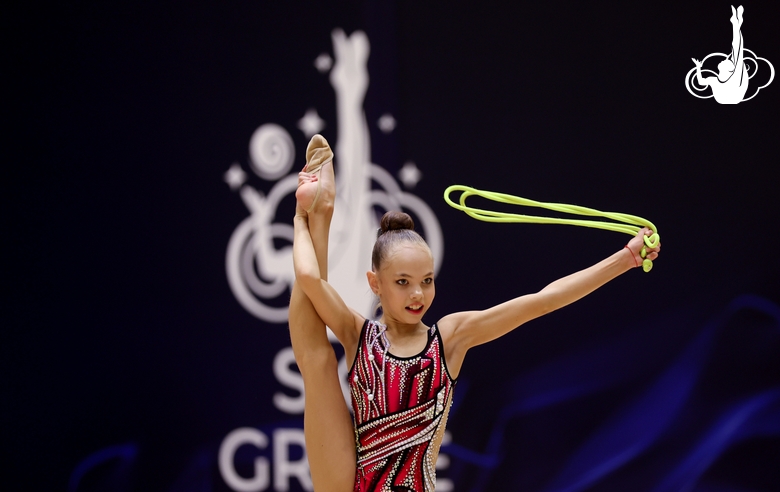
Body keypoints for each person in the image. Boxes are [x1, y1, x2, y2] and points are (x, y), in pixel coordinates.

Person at [289, 135, 661, 491]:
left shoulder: (449, 338)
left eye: (427, 280)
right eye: (403, 282)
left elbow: (543, 300)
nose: (418, 294)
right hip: (348, 481)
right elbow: (308, 279)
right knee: (315, 358)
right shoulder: (359, 333)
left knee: (314, 346)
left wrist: (623, 260)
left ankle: (315, 213)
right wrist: (300, 220)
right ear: (375, 284)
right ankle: (320, 211)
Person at [692, 5, 748, 104]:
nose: (724, 59)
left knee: (737, 51)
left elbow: (701, 82)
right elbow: (700, 82)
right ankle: (736, 24)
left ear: (729, 69)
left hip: (732, 95)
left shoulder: (723, 79)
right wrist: (698, 67)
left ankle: (736, 24)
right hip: (731, 96)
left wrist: (698, 67)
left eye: (726, 61)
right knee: (737, 52)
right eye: (728, 60)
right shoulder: (717, 79)